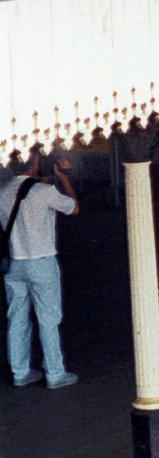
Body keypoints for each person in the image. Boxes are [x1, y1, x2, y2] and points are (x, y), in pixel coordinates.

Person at [4, 155, 79, 389]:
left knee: (16, 318)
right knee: (48, 318)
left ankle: (20, 372)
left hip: (14, 261)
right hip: (42, 262)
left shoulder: (2, 192)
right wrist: (64, 178)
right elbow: (73, 208)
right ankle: (55, 373)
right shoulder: (44, 191)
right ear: (35, 164)